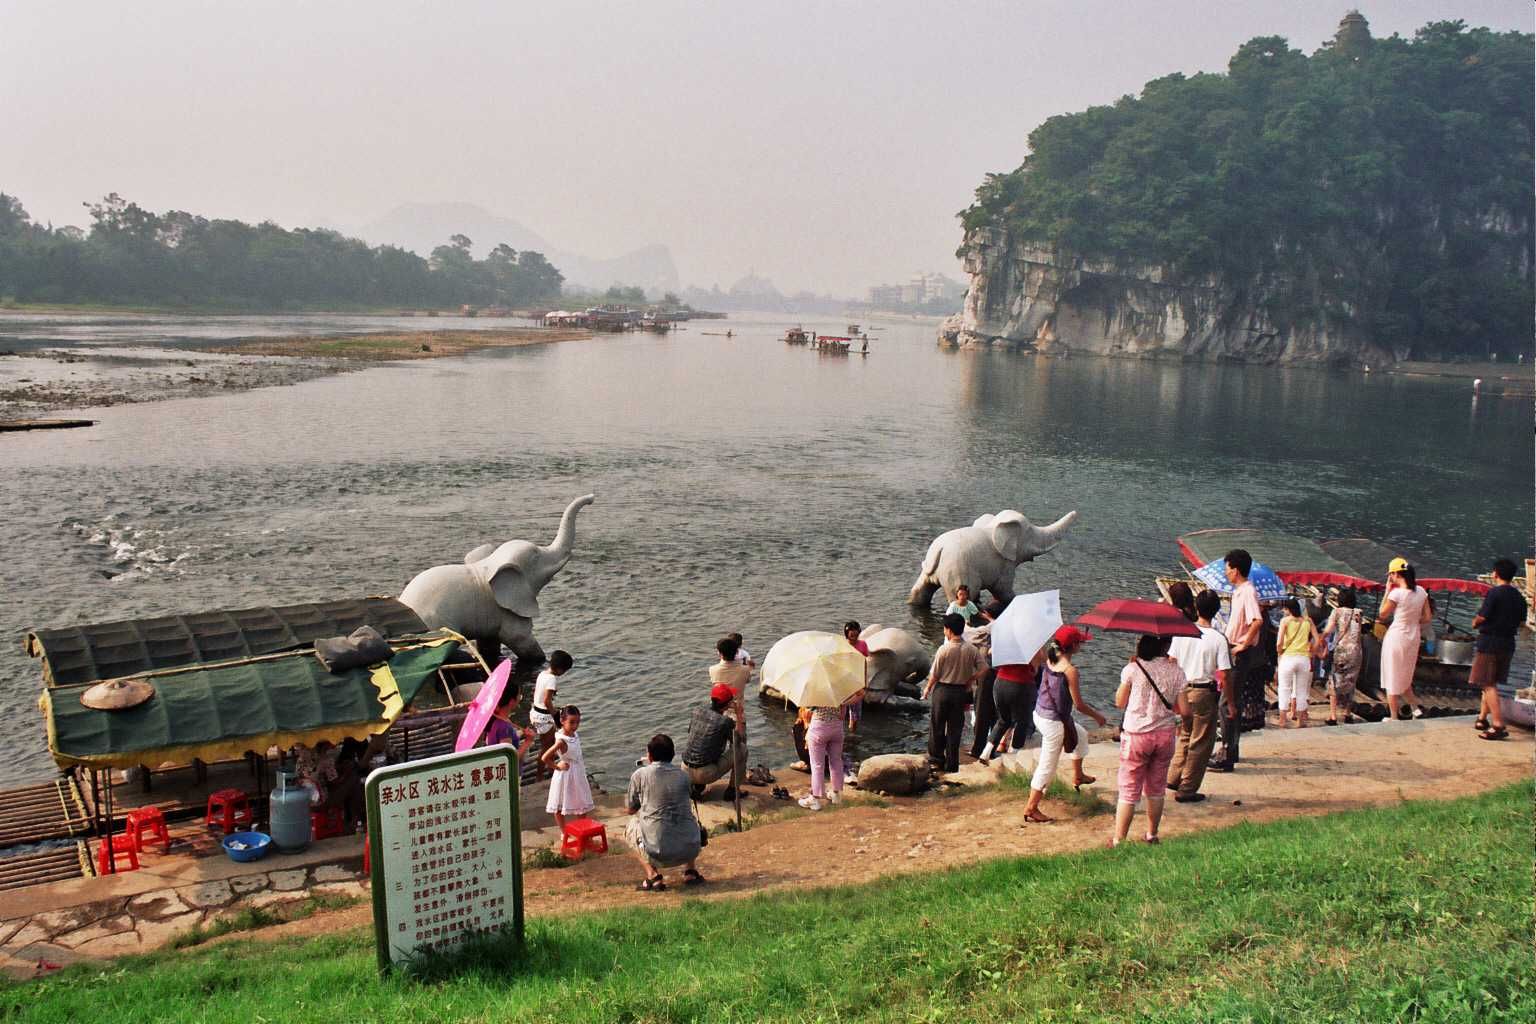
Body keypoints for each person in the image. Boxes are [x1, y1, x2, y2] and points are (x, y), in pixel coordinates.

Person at [1019, 626, 1106, 823]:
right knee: (1047, 765)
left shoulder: (1051, 658)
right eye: (1080, 642)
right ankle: (1031, 807)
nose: (1082, 645)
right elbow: (1080, 705)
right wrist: (1098, 716)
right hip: (1053, 723)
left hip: (1040, 714)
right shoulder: (1070, 671)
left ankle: (1078, 775)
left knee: (1081, 735)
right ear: (1074, 646)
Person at [1112, 635, 1191, 847]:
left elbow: (1119, 702)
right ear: (1165, 645)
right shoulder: (1176, 671)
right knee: (1156, 788)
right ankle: (1152, 834)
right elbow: (1184, 710)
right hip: (1165, 734)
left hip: (1136, 735)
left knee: (1129, 789)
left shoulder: (1133, 669)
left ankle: (1119, 840)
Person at [1166, 589, 1231, 802]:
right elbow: (1225, 673)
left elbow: (1171, 661)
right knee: (1201, 741)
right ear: (1216, 611)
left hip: (1182, 688)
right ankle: (1187, 788)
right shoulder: (1218, 638)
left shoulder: (1182, 632)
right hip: (1203, 691)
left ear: (1196, 606)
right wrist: (1230, 701)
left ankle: (1174, 776)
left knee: (1185, 733)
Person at [626, 733, 705, 892]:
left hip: (659, 851)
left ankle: (653, 876)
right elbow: (689, 794)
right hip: (690, 847)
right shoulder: (683, 776)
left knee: (631, 826)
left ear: (649, 755)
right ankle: (690, 871)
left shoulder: (639, 775)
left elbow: (630, 809)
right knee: (686, 817)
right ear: (673, 754)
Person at [1212, 549, 1263, 771]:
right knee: (1233, 699)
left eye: (1227, 568)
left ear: (1236, 569)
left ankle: (1226, 752)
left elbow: (1257, 621)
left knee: (1227, 701)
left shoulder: (1248, 591)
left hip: (1239, 651)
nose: (1226, 572)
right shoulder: (1240, 591)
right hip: (1234, 648)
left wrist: (1243, 644)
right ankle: (1232, 749)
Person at [922, 613, 989, 773]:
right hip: (961, 691)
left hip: (943, 690)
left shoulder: (944, 649)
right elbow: (985, 668)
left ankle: (936, 759)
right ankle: (952, 764)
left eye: (945, 628)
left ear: (949, 630)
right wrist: (971, 679)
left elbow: (935, 674)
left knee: (937, 725)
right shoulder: (971, 649)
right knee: (955, 728)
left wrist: (927, 688)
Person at [1471, 558, 1527, 741]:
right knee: (1491, 682)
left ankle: (1497, 724)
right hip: (1508, 643)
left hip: (1490, 643)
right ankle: (1482, 719)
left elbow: (1482, 617)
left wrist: (1475, 622)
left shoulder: (1494, 593)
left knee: (1487, 683)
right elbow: (1521, 623)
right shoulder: (1519, 597)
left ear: (1496, 573)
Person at [1378, 558, 1430, 720]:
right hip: (1413, 636)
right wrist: (1413, 621)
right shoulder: (1421, 591)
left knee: (1391, 677)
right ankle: (1415, 709)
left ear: (1396, 574)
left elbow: (1382, 614)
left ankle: (1394, 717)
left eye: (1391, 575)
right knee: (1405, 676)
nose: (1390, 578)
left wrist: (1387, 591)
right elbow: (1427, 617)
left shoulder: (1396, 594)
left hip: (1396, 636)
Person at [683, 683, 745, 799]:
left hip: (685, 769)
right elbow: (739, 739)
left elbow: (693, 735)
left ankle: (697, 787)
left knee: (702, 748)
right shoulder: (725, 722)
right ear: (728, 704)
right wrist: (739, 714)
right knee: (742, 749)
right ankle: (732, 791)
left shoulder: (697, 711)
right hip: (705, 773)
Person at [541, 704, 594, 834]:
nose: (575, 726)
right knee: (559, 805)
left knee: (581, 805)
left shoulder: (574, 734)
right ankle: (564, 832)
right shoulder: (561, 741)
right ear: (562, 721)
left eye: (577, 722)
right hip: (566, 774)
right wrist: (557, 766)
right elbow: (545, 757)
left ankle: (582, 831)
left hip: (578, 772)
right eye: (572, 722)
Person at [798, 692, 852, 811]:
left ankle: (815, 800)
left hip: (819, 728)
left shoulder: (817, 688)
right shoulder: (840, 688)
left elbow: (807, 710)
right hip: (837, 728)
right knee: (836, 761)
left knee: (817, 765)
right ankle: (836, 795)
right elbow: (844, 712)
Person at [1321, 590, 1363, 725]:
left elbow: (1328, 630)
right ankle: (1348, 713)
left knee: (1333, 681)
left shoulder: (1337, 612)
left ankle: (1333, 716)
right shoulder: (1358, 613)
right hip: (1356, 651)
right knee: (1351, 681)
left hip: (1342, 651)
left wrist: (1318, 641)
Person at [967, 602, 1003, 760]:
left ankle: (978, 748)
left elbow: (968, 636)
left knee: (981, 711)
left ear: (989, 614)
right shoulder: (1007, 629)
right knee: (996, 712)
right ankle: (991, 748)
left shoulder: (990, 629)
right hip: (1001, 675)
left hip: (986, 674)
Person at [1275, 599, 1318, 726]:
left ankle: (1282, 719)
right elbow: (1317, 639)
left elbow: (1279, 643)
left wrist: (1280, 652)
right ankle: (1300, 721)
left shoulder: (1285, 621)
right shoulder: (1308, 620)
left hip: (1288, 657)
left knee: (1284, 688)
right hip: (1304, 659)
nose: (1283, 611)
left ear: (1288, 609)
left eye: (1284, 609)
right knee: (1301, 690)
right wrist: (1312, 652)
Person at [530, 650, 574, 768]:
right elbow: (547, 701)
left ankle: (549, 769)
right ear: (560, 669)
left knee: (548, 744)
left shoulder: (543, 674)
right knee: (547, 748)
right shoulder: (552, 679)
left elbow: (539, 697)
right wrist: (556, 716)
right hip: (543, 718)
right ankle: (540, 775)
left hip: (535, 713)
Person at [482, 686, 538, 758]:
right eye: (519, 695)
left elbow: (500, 738)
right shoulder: (505, 727)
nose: (520, 698)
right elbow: (509, 759)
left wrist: (518, 734)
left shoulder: (496, 717)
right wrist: (528, 741)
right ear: (511, 701)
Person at [842, 620, 869, 732]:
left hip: (857, 681)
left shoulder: (862, 644)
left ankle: (853, 733)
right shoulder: (842, 645)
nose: (853, 634)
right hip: (843, 681)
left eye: (856, 631)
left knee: (855, 713)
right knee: (841, 710)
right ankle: (840, 734)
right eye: (851, 632)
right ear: (846, 633)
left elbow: (864, 662)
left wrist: (865, 679)